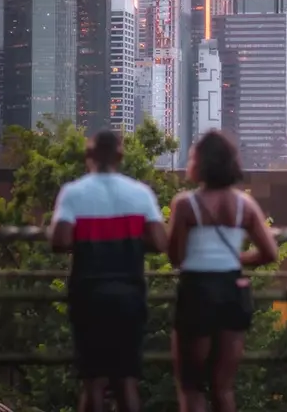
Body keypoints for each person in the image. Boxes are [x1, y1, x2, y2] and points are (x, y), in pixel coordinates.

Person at [49, 130, 167, 412]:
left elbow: (60, 240)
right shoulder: (140, 193)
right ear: (120, 156)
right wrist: (130, 238)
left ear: (88, 157)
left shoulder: (73, 193)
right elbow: (161, 242)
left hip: (87, 295)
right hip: (129, 296)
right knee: (126, 382)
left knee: (92, 382)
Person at [168, 130, 278, 412]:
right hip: (232, 290)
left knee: (191, 386)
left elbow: (176, 257)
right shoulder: (245, 205)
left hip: (196, 291)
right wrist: (238, 258)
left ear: (200, 164)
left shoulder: (184, 205)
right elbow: (269, 253)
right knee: (223, 387)